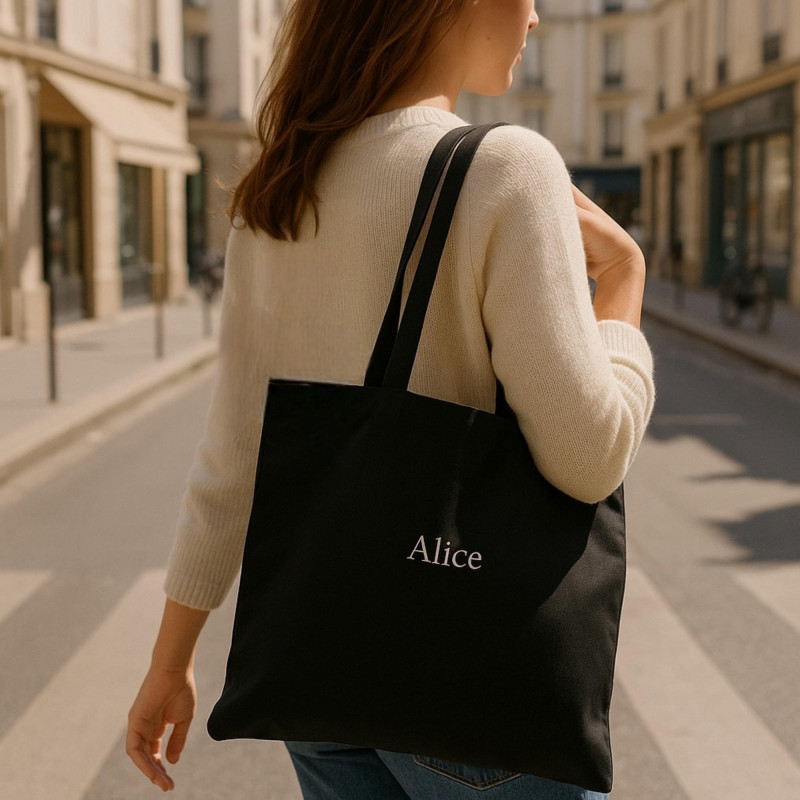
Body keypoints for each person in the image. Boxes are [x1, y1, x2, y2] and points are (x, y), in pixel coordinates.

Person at [125, 0, 656, 797]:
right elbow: (591, 458)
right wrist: (621, 288)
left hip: (321, 680)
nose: (538, 17)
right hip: (462, 689)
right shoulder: (507, 166)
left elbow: (236, 457)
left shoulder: (279, 189)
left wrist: (171, 662)